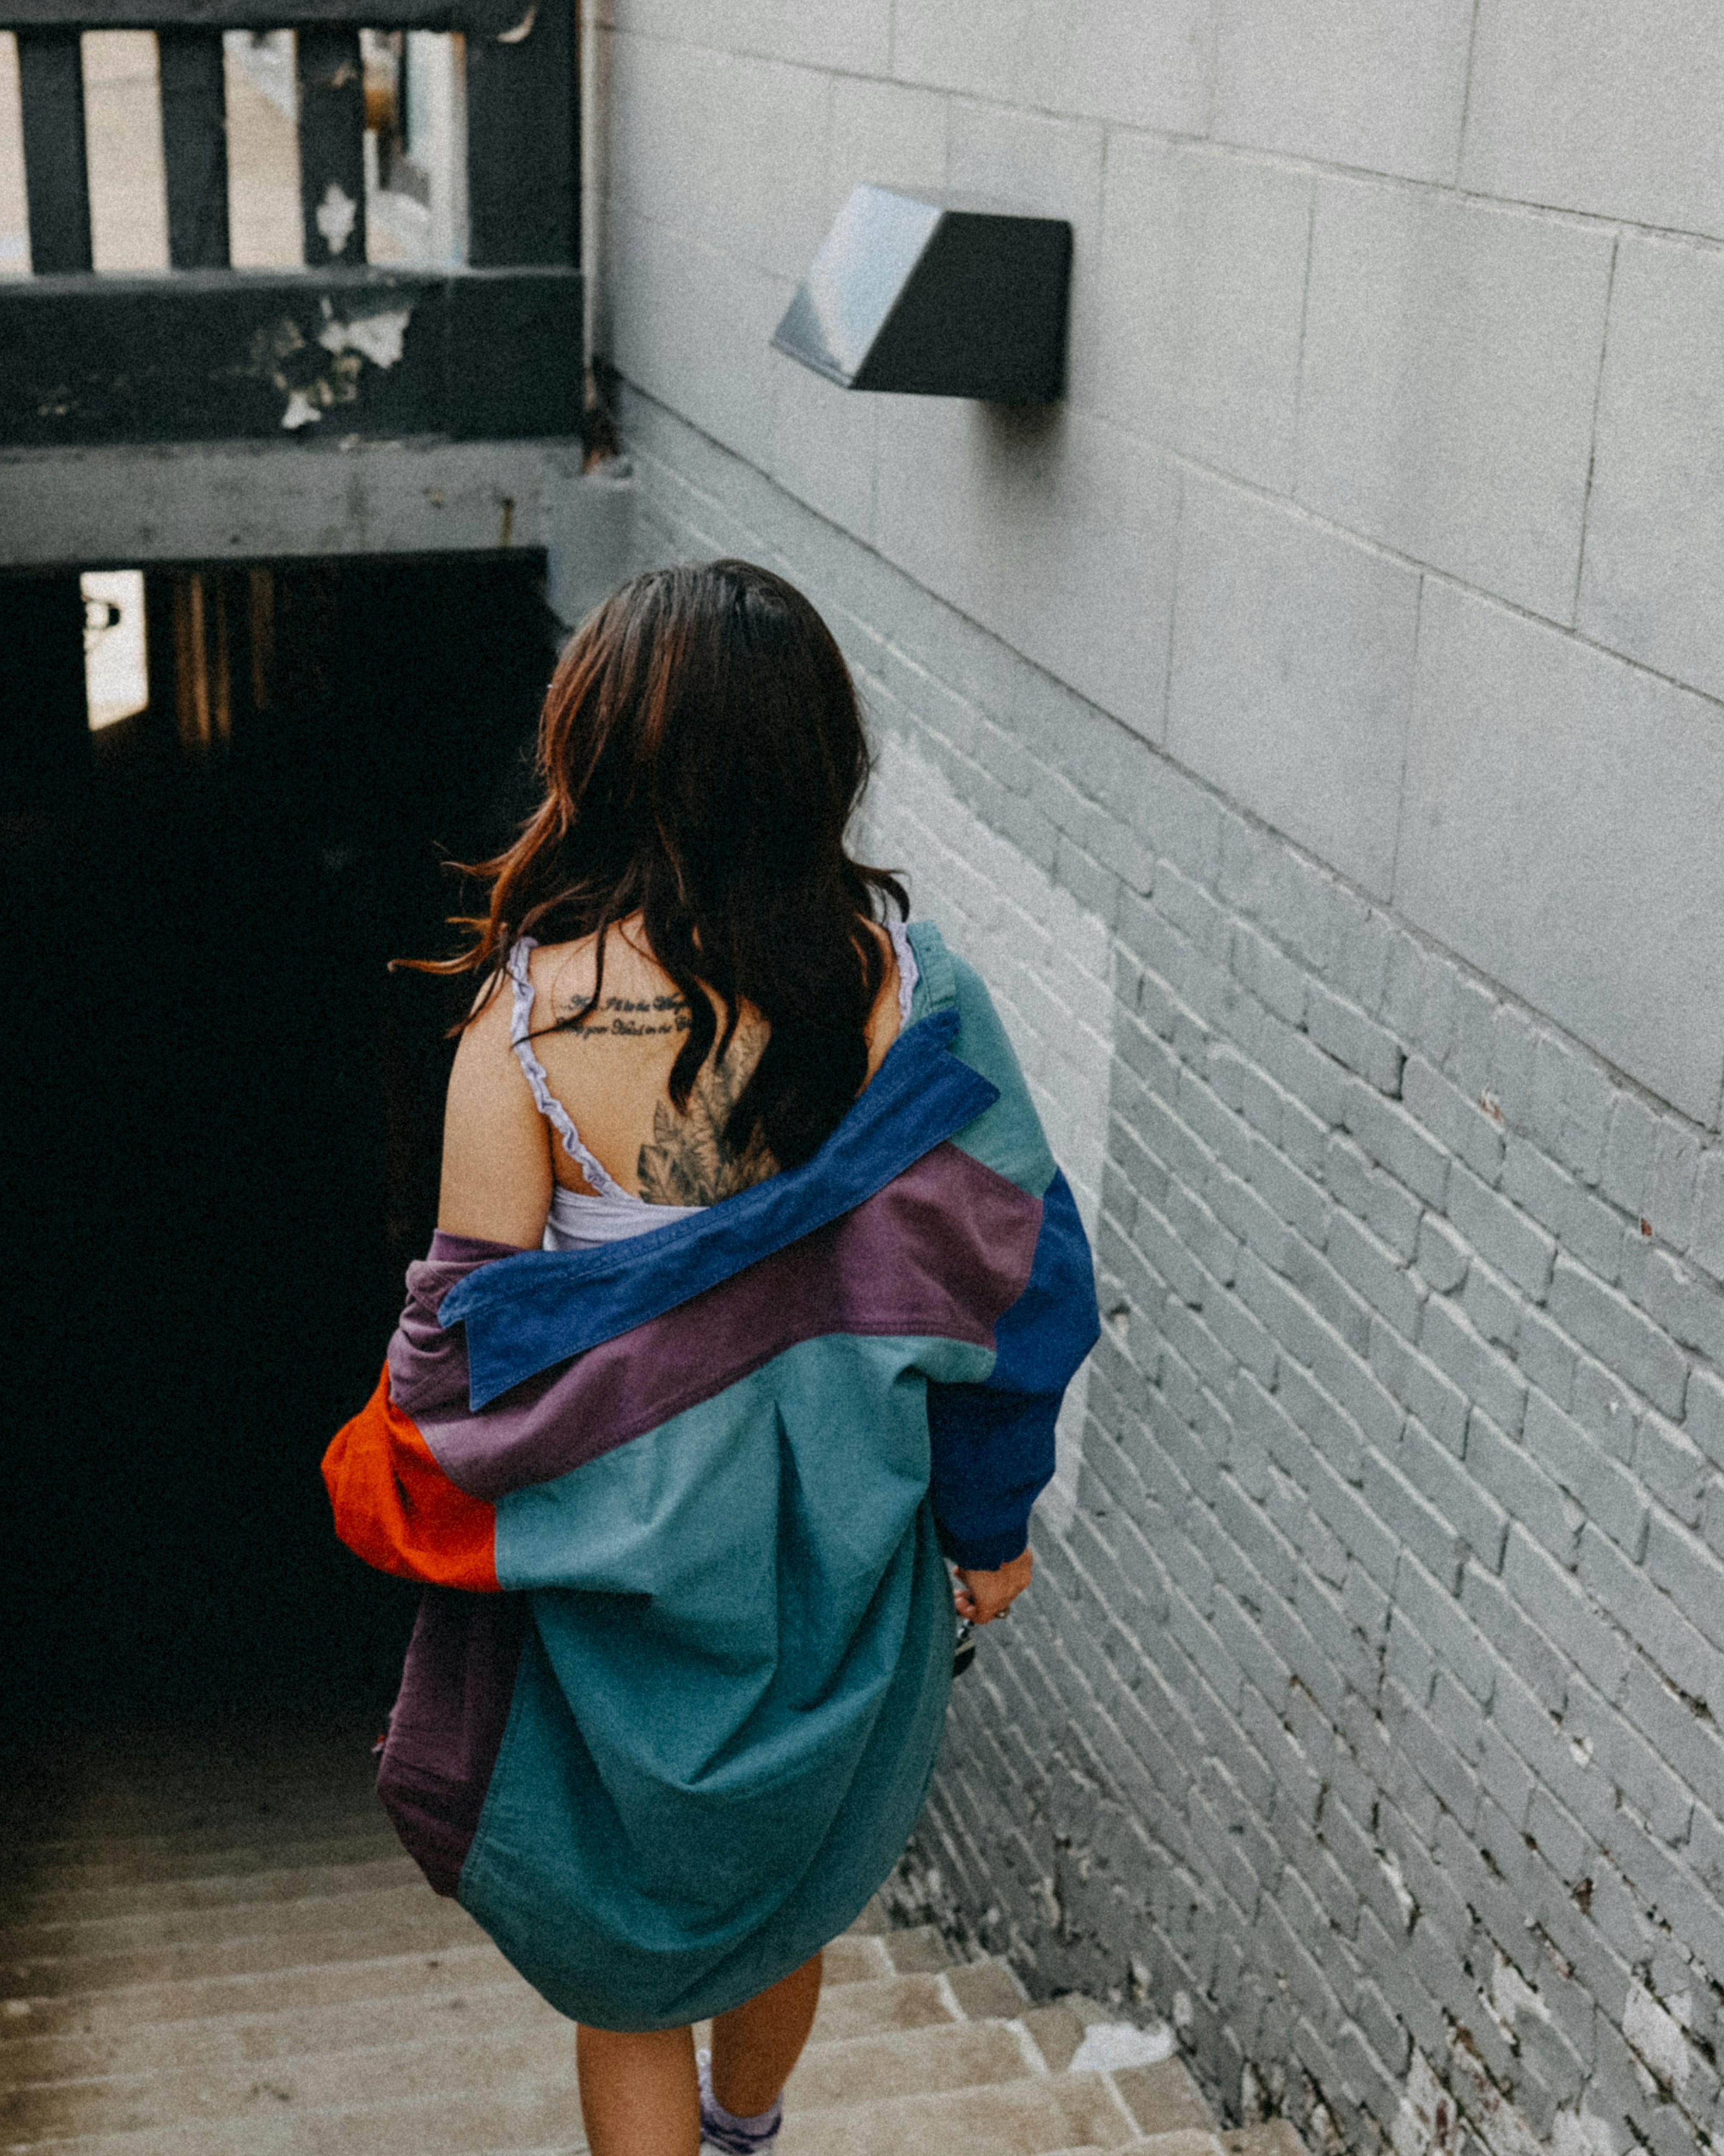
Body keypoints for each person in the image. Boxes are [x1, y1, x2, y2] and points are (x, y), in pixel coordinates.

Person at [322, 560, 1096, 2156]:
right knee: (787, 1890)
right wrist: (990, 1523)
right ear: (819, 759)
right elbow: (1022, 1278)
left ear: (593, 755)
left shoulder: (524, 1025)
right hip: (835, 1544)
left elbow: (453, 1353)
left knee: (626, 1979)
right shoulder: (906, 995)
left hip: (618, 1569)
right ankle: (749, 2136)